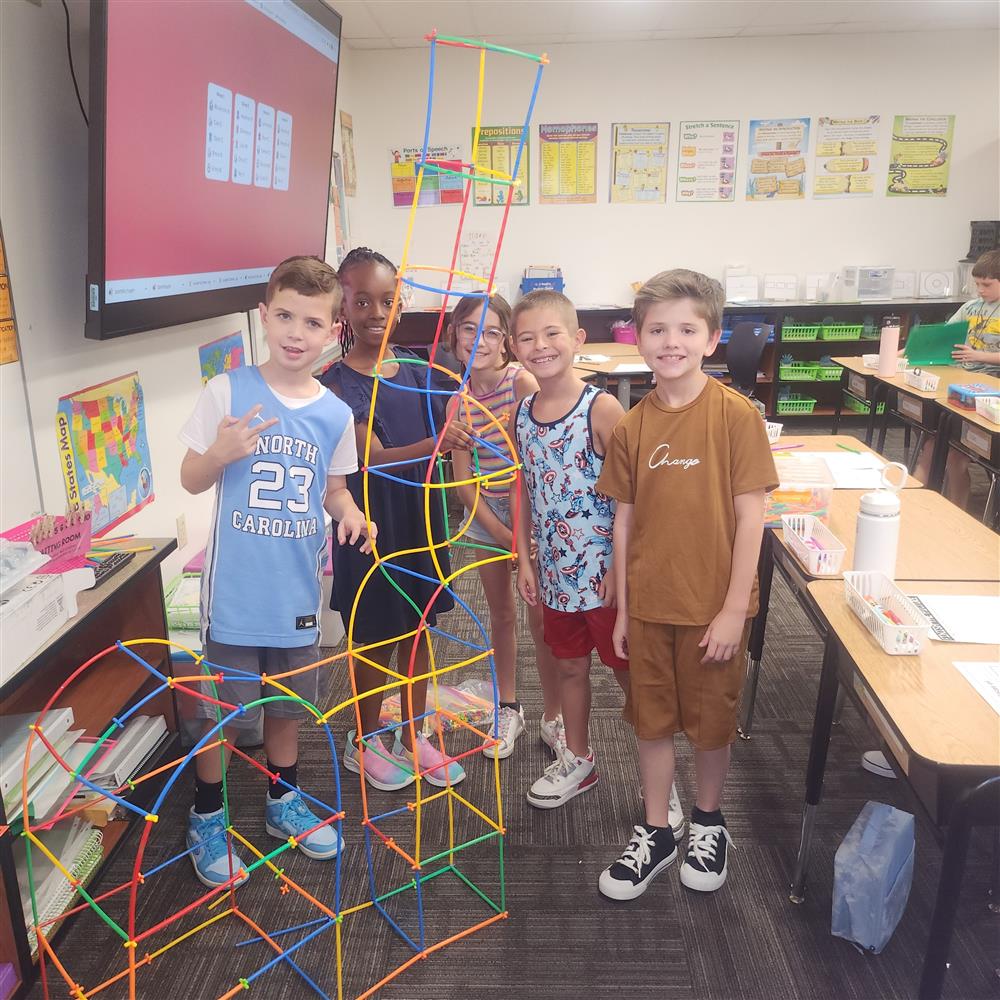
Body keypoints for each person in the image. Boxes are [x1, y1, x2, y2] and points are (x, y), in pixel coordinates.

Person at [179, 255, 374, 888]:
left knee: (287, 705)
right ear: (265, 315)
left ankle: (283, 801)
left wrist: (353, 516)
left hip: (297, 590)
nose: (295, 332)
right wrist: (218, 453)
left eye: (312, 322)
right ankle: (208, 815)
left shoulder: (334, 414)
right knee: (220, 712)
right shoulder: (228, 391)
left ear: (332, 332)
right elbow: (190, 478)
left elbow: (334, 490)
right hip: (235, 593)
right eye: (284, 315)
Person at [596, 269, 777, 899]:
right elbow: (624, 518)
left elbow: (753, 515)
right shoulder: (632, 426)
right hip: (647, 605)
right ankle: (657, 829)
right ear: (637, 338)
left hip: (713, 609)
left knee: (709, 723)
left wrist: (733, 610)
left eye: (686, 329)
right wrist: (621, 604)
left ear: (712, 337)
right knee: (650, 722)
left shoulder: (735, 417)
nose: (670, 341)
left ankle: (707, 820)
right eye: (656, 329)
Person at [512, 290, 684, 833]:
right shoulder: (522, 411)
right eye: (527, 338)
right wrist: (524, 557)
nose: (540, 347)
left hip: (608, 580)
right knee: (568, 669)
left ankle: (662, 783)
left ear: (578, 339)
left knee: (632, 677)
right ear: (515, 348)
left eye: (552, 334)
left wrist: (620, 565)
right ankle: (579, 759)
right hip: (557, 575)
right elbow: (525, 485)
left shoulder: (601, 409)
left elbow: (638, 493)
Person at [320, 247, 469, 792]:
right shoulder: (336, 386)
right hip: (369, 524)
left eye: (387, 300)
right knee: (374, 635)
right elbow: (371, 456)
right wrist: (438, 441)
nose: (376, 313)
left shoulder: (422, 368)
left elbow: (464, 405)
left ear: (401, 304)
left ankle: (413, 733)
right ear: (343, 307)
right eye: (362, 302)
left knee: (418, 628)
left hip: (420, 522)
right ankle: (365, 739)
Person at [447, 294, 562, 760]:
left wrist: (524, 538)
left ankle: (553, 715)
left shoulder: (521, 383)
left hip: (530, 508)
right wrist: (503, 537)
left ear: (507, 342)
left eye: (493, 331)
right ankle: (508, 706)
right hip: (486, 516)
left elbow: (534, 462)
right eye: (470, 329)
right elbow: (463, 486)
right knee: (502, 615)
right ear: (455, 338)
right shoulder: (457, 401)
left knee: (542, 619)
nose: (481, 340)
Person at [910, 249, 1000, 511]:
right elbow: (942, 336)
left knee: (954, 454)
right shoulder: (972, 307)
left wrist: (978, 354)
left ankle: (956, 511)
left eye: (987, 284)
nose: (981, 290)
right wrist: (903, 353)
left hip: (988, 392)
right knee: (934, 443)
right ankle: (916, 501)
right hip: (960, 385)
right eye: (977, 284)